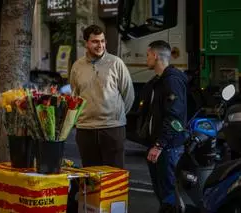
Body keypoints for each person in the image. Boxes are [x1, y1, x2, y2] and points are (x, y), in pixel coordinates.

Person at [69, 24, 134, 169]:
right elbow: (75, 95)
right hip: (85, 129)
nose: (100, 45)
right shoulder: (77, 66)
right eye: (95, 42)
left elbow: (128, 94)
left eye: (102, 41)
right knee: (91, 178)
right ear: (86, 43)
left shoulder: (116, 63)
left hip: (112, 129)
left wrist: (117, 116)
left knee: (114, 177)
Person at [142, 40, 188, 211]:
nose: (146, 59)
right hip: (161, 146)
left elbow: (174, 117)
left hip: (168, 148)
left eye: (147, 55)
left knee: (169, 195)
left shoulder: (171, 81)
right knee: (163, 195)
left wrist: (159, 145)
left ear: (155, 55)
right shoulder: (159, 81)